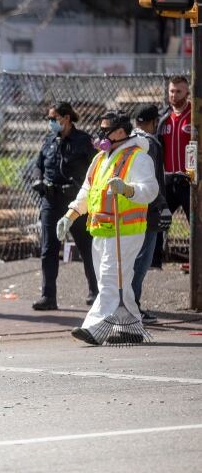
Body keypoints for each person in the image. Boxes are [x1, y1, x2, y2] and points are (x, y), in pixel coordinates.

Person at [58, 111, 158, 345]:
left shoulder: (138, 157)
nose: (100, 134)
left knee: (110, 279)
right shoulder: (100, 159)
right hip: (102, 230)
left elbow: (150, 190)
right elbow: (87, 190)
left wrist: (128, 189)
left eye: (106, 130)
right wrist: (70, 215)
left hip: (126, 230)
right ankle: (131, 326)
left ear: (121, 132)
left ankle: (94, 327)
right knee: (114, 280)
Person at [30, 102, 98, 311]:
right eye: (49, 119)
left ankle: (95, 292)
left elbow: (95, 167)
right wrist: (38, 180)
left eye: (54, 118)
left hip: (75, 202)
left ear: (66, 118)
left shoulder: (83, 140)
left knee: (87, 247)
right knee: (49, 248)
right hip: (51, 201)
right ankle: (48, 296)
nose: (51, 123)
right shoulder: (49, 140)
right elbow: (39, 166)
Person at [132, 105, 172, 325]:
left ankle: (128, 303)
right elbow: (153, 179)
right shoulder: (152, 144)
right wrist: (162, 205)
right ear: (154, 122)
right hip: (148, 209)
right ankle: (133, 305)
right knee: (143, 260)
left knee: (131, 260)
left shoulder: (127, 141)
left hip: (130, 208)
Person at [154, 75, 192, 268]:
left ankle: (196, 262)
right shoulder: (164, 118)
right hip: (169, 180)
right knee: (156, 219)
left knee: (196, 224)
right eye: (171, 91)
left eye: (179, 91)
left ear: (187, 92)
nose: (174, 95)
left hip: (190, 182)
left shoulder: (195, 115)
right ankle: (154, 260)